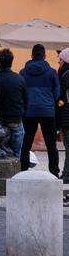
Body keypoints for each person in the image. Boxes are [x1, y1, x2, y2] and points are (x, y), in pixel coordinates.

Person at [19, 43, 60, 175]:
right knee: (51, 144)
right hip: (48, 111)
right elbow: (57, 94)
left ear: (31, 56)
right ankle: (54, 172)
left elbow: (20, 92)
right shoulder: (52, 73)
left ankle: (23, 170)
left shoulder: (23, 73)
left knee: (26, 143)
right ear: (45, 56)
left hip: (29, 111)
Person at [0, 48, 27, 158]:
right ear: (11, 62)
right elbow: (26, 100)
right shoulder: (19, 79)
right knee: (16, 154)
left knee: (1, 155)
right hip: (15, 119)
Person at [57, 49, 69, 184]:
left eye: (60, 59)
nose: (58, 61)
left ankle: (67, 174)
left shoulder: (66, 75)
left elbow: (60, 98)